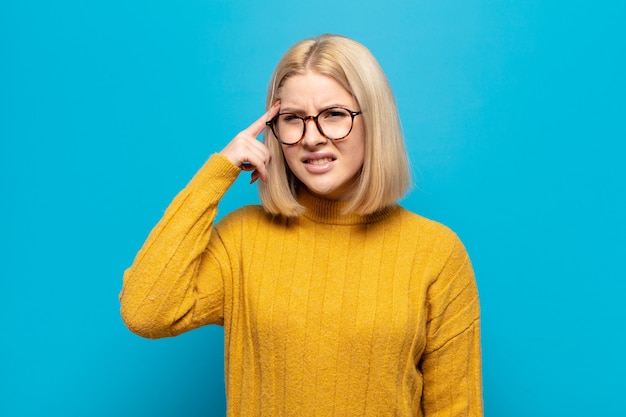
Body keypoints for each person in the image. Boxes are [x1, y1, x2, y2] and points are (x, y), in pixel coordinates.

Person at [120, 34, 483, 416]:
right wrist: (218, 172)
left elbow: (456, 408)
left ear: (374, 120)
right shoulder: (242, 238)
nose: (312, 138)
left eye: (334, 115)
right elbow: (146, 312)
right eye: (293, 119)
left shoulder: (435, 252)